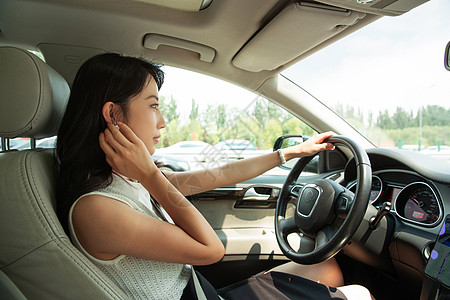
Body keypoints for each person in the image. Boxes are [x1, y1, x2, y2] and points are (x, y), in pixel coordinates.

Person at [56, 53, 372, 300]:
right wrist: (151, 174)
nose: (162, 122)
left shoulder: (125, 179)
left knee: (327, 268)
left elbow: (219, 174)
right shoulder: (96, 209)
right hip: (197, 294)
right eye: (153, 106)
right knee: (360, 294)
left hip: (200, 289)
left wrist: (289, 153)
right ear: (113, 114)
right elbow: (211, 251)